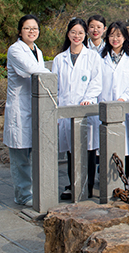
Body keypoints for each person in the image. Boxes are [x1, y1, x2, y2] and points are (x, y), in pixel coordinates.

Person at [52, 18, 103, 200]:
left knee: (88, 151)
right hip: (66, 111)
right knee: (71, 151)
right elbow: (55, 87)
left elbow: (96, 82)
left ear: (85, 35)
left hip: (86, 110)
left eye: (80, 33)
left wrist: (88, 99)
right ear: (68, 34)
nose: (77, 36)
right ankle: (72, 184)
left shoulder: (93, 57)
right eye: (73, 32)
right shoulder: (60, 59)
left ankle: (87, 186)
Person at [4, 14, 49, 207]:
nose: (32, 31)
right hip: (19, 109)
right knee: (20, 155)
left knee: (33, 152)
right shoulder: (15, 50)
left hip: (33, 106)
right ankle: (22, 195)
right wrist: (57, 76)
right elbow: (31, 70)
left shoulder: (37, 50)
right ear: (20, 31)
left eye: (35, 28)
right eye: (27, 28)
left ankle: (32, 190)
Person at [99, 22, 129, 175]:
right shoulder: (100, 57)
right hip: (105, 104)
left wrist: (124, 98)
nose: (115, 39)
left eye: (118, 35)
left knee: (126, 144)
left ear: (125, 37)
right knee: (105, 144)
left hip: (125, 105)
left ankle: (126, 177)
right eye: (112, 35)